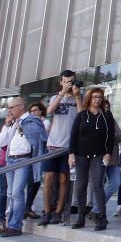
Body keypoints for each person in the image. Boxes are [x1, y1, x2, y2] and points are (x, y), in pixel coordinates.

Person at [0, 96, 47, 238]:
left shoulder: (31, 120)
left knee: (17, 193)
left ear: (21, 107)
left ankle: (15, 226)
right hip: (10, 160)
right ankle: (10, 223)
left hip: (24, 160)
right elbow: (1, 143)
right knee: (11, 193)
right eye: (9, 108)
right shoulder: (14, 122)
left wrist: (22, 127)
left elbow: (38, 138)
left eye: (12, 107)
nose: (9, 110)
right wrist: (7, 125)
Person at [68, 87, 116, 230]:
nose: (97, 99)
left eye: (100, 97)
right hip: (82, 154)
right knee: (81, 185)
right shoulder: (82, 115)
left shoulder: (106, 116)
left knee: (97, 185)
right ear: (89, 98)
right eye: (95, 97)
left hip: (99, 155)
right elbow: (73, 135)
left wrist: (108, 153)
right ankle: (81, 216)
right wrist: (71, 154)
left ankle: (102, 217)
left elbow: (110, 137)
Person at [39, 70, 82, 226]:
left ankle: (58, 211)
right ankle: (46, 211)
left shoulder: (78, 97)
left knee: (64, 179)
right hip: (53, 143)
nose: (69, 84)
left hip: (68, 146)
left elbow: (82, 115)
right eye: (66, 81)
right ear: (61, 82)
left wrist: (76, 96)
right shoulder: (55, 97)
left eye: (71, 81)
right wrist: (62, 94)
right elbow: (49, 111)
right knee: (49, 178)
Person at [23, 103, 48, 218]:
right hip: (28, 155)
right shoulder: (28, 122)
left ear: (41, 111)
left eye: (35, 110)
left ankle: (28, 207)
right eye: (31, 111)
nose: (33, 113)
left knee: (35, 182)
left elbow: (44, 137)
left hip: (39, 155)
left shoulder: (45, 122)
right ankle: (26, 208)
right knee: (30, 182)